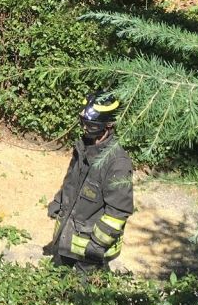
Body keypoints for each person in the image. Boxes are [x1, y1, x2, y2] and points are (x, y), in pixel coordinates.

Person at [47, 90, 134, 275]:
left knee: (81, 296)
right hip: (67, 239)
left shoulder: (117, 163)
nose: (86, 129)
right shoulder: (84, 147)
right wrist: (59, 201)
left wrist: (96, 246)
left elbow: (118, 212)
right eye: (84, 124)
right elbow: (72, 181)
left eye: (91, 126)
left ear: (108, 126)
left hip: (91, 253)